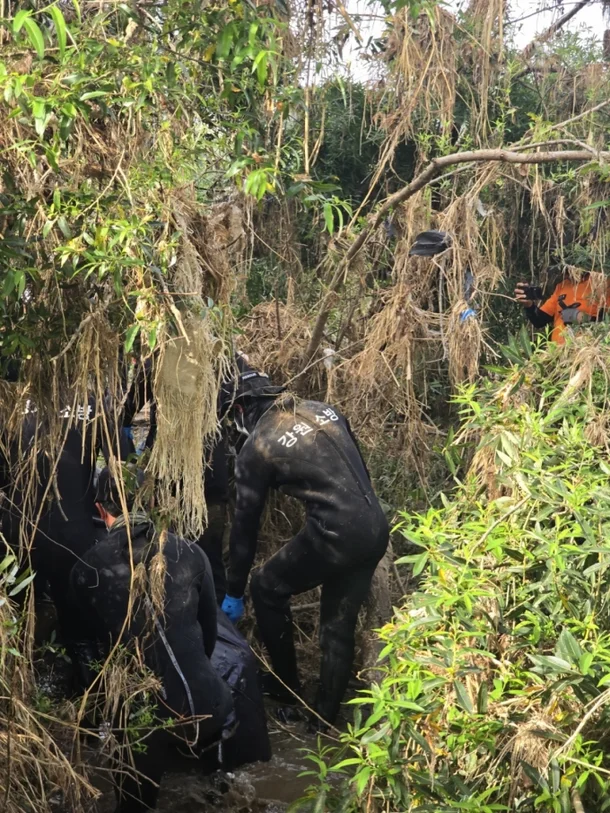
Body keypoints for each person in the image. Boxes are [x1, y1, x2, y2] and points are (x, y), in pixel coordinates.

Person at [220, 359, 389, 728]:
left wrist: (233, 591)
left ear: (237, 409)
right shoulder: (322, 409)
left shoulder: (258, 446)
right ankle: (323, 720)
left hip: (335, 534)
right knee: (336, 627)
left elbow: (244, 529)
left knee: (265, 586)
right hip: (374, 527)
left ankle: (286, 689)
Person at [70, 465, 234, 812]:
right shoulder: (191, 552)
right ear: (155, 501)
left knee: (135, 802)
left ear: (101, 511)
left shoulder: (86, 569)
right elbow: (208, 636)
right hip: (212, 706)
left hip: (145, 720)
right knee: (213, 799)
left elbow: (85, 653)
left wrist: (100, 717)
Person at [122, 357, 229, 604]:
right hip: (208, 468)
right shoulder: (217, 358)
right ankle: (218, 621)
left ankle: (174, 608)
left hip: (171, 471)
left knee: (165, 545)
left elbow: (129, 409)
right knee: (208, 551)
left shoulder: (157, 362)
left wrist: (125, 428)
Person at [515, 272, 610, 344]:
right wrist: (529, 306)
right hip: (557, 354)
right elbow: (539, 320)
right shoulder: (563, 285)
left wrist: (584, 319)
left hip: (586, 353)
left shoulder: (602, 283)